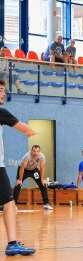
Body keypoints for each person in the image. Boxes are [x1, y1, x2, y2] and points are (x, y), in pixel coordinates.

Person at [0, 79, 37, 256]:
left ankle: (13, 243)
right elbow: (28, 131)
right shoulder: (1, 112)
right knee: (8, 203)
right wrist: (36, 132)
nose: (3, 93)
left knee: (8, 202)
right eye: (0, 90)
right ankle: (12, 243)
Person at [13, 145, 53, 210]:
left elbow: (42, 167)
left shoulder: (41, 156)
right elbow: (22, 168)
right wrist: (20, 179)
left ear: (39, 151)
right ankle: (13, 205)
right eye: (34, 151)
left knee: (43, 184)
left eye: (37, 151)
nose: (35, 153)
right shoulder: (27, 156)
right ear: (31, 151)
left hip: (34, 170)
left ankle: (46, 204)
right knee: (18, 184)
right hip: (24, 170)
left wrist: (42, 179)